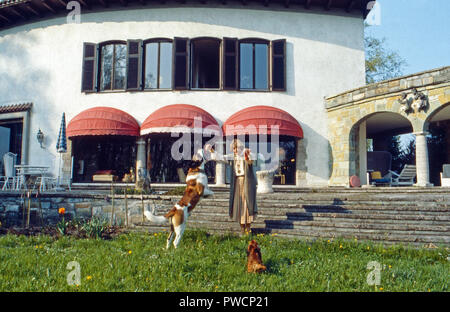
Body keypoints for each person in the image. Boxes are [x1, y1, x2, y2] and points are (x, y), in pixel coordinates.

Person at [206, 139, 257, 234]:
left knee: (247, 204)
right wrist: (212, 150)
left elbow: (252, 159)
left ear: (240, 148)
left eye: (236, 148)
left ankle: (248, 228)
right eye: (233, 149)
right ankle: (242, 229)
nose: (235, 150)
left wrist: (247, 152)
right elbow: (221, 157)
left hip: (247, 183)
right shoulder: (232, 157)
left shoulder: (246, 155)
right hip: (237, 183)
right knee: (239, 203)